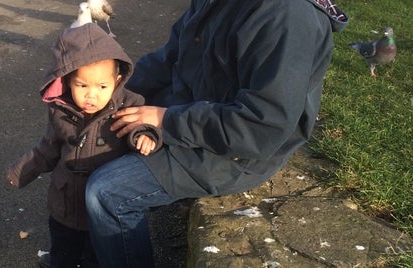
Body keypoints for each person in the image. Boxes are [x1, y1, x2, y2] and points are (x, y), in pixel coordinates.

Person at [84, 0, 349, 267]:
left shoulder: (285, 15)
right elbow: (170, 57)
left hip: (234, 151)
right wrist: (112, 94)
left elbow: (263, 128)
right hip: (189, 111)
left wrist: (167, 120)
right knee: (89, 138)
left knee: (107, 192)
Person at [5, 23, 162, 268]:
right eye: (82, 86)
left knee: (95, 257)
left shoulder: (125, 107)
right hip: (65, 203)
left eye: (101, 87)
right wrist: (21, 170)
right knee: (62, 252)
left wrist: (146, 135)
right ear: (68, 82)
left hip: (99, 210)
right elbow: (48, 148)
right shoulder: (61, 111)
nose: (91, 96)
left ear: (117, 81)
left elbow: (139, 125)